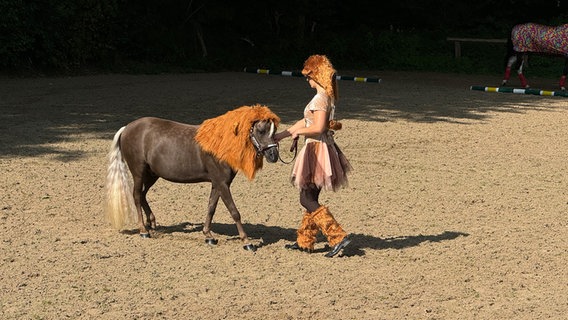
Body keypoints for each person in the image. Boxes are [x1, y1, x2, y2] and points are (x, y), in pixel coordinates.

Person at [274, 54, 353, 258]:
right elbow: (306, 121)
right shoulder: (324, 97)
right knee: (310, 196)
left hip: (317, 150)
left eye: (308, 76)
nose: (307, 80)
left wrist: (298, 134)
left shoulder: (320, 99)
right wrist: (282, 135)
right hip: (321, 148)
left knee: (305, 198)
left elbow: (316, 128)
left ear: (315, 75)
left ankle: (337, 235)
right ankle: (305, 241)